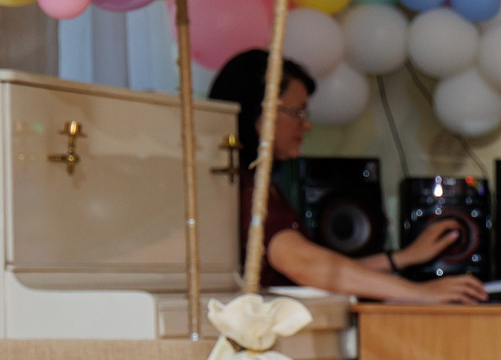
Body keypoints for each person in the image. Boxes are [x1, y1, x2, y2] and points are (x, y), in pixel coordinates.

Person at [206, 51, 485, 304]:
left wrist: (404, 258)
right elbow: (302, 264)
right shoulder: (237, 184)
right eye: (297, 111)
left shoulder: (259, 183)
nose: (307, 123)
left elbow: (322, 273)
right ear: (260, 112)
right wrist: (419, 293)